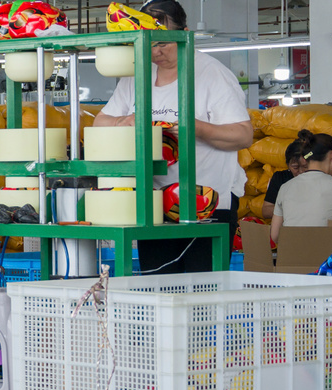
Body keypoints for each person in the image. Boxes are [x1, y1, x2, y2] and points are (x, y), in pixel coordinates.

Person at [93, 0, 253, 274]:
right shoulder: (135, 76)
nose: (156, 52)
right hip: (153, 205)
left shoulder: (212, 74)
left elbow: (242, 135)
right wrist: (125, 121)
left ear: (185, 33)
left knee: (202, 295)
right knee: (158, 291)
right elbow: (100, 123)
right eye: (149, 43)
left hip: (205, 204)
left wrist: (197, 128)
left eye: (164, 43)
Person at [261, 139, 307, 220]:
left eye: (305, 167)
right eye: (295, 167)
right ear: (288, 165)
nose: (300, 171)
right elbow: (266, 211)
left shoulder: (319, 178)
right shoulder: (280, 178)